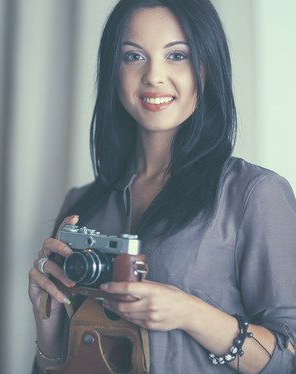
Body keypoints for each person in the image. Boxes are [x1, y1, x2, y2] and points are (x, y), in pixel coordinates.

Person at [28, 0, 296, 372]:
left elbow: (290, 357)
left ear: (208, 65)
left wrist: (188, 312)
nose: (154, 75)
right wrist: (47, 321)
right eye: (134, 56)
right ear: (112, 71)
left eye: (177, 55)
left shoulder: (254, 194)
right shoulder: (82, 204)